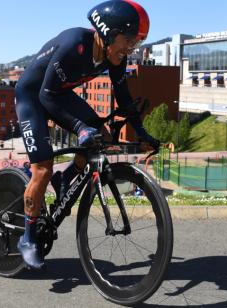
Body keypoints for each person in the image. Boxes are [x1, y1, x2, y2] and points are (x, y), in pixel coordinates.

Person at [14, 0, 159, 269]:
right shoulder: (74, 44)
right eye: (128, 41)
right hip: (33, 97)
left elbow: (124, 99)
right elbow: (46, 94)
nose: (131, 49)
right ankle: (28, 237)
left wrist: (142, 132)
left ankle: (66, 178)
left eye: (135, 43)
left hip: (58, 94)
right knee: (42, 169)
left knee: (101, 138)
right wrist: (80, 128)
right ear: (107, 33)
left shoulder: (115, 55)